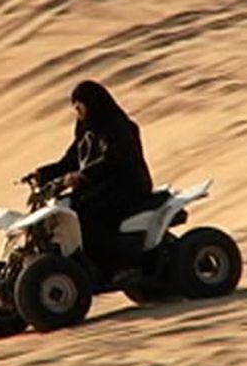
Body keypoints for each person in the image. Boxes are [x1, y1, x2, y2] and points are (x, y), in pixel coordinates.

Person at [28, 80, 154, 283]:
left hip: (127, 186)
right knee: (69, 209)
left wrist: (83, 176)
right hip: (100, 187)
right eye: (75, 108)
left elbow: (111, 158)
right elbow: (70, 161)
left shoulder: (116, 127)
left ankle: (118, 267)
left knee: (88, 216)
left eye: (80, 107)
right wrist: (42, 174)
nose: (77, 112)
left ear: (92, 104)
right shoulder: (86, 131)